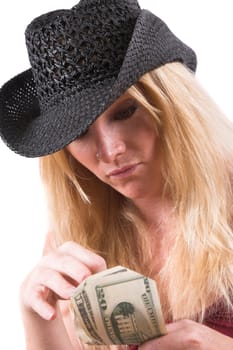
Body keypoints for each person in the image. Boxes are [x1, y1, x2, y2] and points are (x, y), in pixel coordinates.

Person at [0, 0, 233, 349]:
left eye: (126, 111)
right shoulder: (76, 235)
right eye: (78, 133)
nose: (110, 151)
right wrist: (38, 318)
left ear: (174, 104)